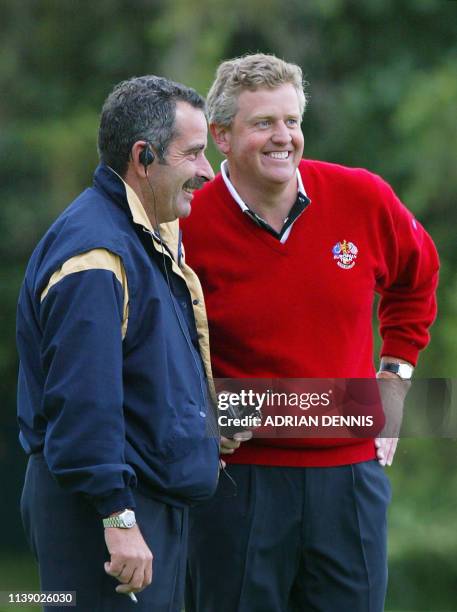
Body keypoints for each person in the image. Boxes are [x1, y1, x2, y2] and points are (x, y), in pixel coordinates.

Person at [181, 54, 439, 612]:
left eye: (292, 121)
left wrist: (393, 378)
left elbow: (418, 278)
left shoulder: (362, 197)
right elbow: (159, 342)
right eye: (264, 123)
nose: (284, 138)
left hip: (349, 477)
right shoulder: (187, 221)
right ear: (222, 136)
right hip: (236, 483)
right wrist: (198, 414)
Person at [17, 75, 219, 612]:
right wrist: (118, 518)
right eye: (195, 154)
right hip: (107, 518)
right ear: (144, 157)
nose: (206, 171)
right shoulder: (96, 255)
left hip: (144, 505)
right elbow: (85, 403)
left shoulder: (146, 231)